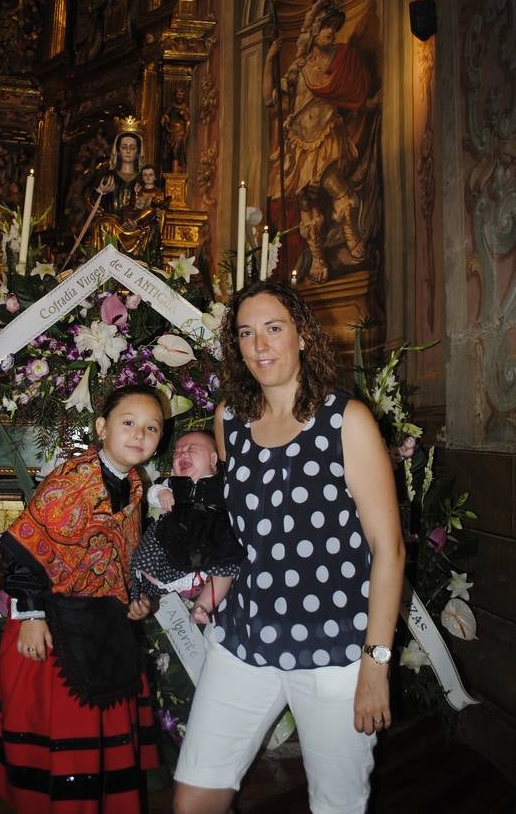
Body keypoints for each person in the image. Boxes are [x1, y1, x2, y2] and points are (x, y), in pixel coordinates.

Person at [173, 280, 406, 814]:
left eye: (274, 329)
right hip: (243, 642)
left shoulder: (346, 421)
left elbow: (387, 547)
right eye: (247, 333)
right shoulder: (229, 418)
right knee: (193, 800)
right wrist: (213, 594)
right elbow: (246, 535)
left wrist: (374, 663)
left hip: (334, 650)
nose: (260, 346)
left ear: (302, 335)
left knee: (336, 805)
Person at [0, 385, 167, 814]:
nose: (139, 434)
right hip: (54, 622)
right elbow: (24, 548)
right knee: (64, 729)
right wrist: (31, 616)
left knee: (106, 727)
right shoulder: (73, 478)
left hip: (102, 623)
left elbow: (122, 555)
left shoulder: (135, 485)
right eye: (128, 423)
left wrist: (135, 598)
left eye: (151, 428)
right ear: (102, 428)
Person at [264, 0, 378, 283]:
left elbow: (351, 91)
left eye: (333, 27)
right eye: (325, 26)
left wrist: (369, 102)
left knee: (334, 185)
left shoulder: (341, 60)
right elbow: (270, 99)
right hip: (299, 143)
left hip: (326, 136)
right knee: (304, 201)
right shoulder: (299, 66)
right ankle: (317, 258)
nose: (330, 32)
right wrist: (269, 60)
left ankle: (351, 236)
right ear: (313, 32)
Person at [131, 431, 245, 620]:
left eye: (191, 449)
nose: (182, 454)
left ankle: (203, 605)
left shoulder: (224, 484)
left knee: (227, 567)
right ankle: (144, 598)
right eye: (177, 453)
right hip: (175, 535)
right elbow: (151, 492)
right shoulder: (173, 483)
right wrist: (161, 493)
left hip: (214, 536)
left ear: (213, 458)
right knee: (143, 557)